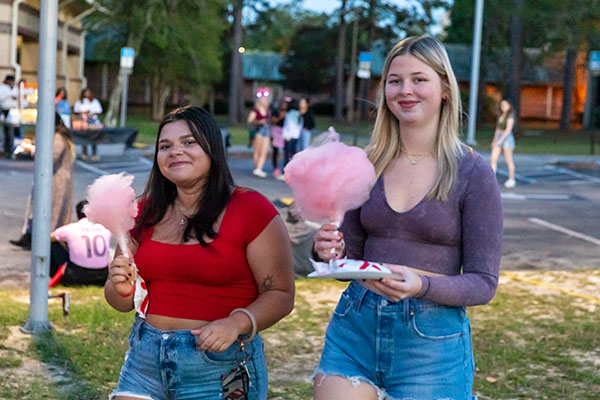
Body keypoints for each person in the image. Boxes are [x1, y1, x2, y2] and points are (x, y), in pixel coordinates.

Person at [312, 35, 503, 400]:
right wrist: (327, 251)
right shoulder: (366, 164)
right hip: (356, 325)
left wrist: (421, 285)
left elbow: (483, 283)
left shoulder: (473, 173)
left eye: (419, 79)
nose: (405, 90)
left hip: (431, 339)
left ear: (445, 88)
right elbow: (345, 258)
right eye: (395, 80)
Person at [106, 106, 295, 400]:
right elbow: (120, 302)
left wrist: (237, 323)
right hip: (145, 359)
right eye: (165, 146)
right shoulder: (141, 212)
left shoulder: (250, 208)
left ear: (212, 148)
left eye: (188, 142)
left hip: (218, 367)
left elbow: (281, 294)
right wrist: (118, 287)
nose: (175, 151)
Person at [10, 113, 75, 250]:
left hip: (57, 181)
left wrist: (31, 149)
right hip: (52, 178)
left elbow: (50, 158)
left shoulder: (58, 138)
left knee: (51, 213)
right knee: (39, 209)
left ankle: (49, 243)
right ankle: (31, 237)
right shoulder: (55, 136)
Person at [49, 200, 112, 286]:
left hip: (76, 276)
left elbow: (49, 238)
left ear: (78, 215)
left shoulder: (71, 228)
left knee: (53, 244)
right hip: (102, 277)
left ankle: (54, 275)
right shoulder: (105, 229)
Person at [490, 99, 517, 188]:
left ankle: (511, 179)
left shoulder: (510, 116)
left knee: (508, 160)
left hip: (507, 138)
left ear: (509, 106)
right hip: (499, 136)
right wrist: (494, 140)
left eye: (505, 105)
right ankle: (492, 179)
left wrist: (500, 140)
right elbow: (497, 129)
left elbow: (508, 130)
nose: (503, 107)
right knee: (493, 159)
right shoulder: (501, 115)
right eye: (502, 105)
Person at [73, 87, 103, 161]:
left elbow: (99, 110)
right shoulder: (80, 102)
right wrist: (83, 113)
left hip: (93, 121)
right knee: (84, 137)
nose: (87, 94)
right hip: (83, 121)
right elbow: (75, 111)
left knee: (94, 137)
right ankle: (84, 153)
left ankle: (94, 153)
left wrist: (91, 113)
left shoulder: (94, 101)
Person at [248, 90, 271, 178]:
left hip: (267, 131)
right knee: (257, 150)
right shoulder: (255, 110)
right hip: (259, 130)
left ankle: (259, 168)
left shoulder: (268, 110)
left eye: (264, 99)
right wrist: (259, 121)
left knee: (264, 151)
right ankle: (257, 167)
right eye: (261, 99)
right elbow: (250, 120)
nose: (263, 101)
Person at [0, 75, 18, 158]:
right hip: (3, 111)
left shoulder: (15, 88)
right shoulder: (2, 87)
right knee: (2, 133)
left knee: (10, 133)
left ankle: (9, 151)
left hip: (12, 111)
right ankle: (2, 150)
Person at [270, 99, 287, 180]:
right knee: (275, 151)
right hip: (276, 131)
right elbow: (273, 121)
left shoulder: (289, 112)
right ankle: (275, 168)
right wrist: (281, 117)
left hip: (285, 132)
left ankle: (285, 168)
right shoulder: (276, 111)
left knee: (286, 151)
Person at [282, 98, 302, 167]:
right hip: (296, 136)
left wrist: (286, 135)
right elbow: (299, 127)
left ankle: (285, 171)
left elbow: (288, 126)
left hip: (289, 137)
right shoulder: (299, 114)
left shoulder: (289, 114)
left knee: (287, 155)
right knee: (293, 154)